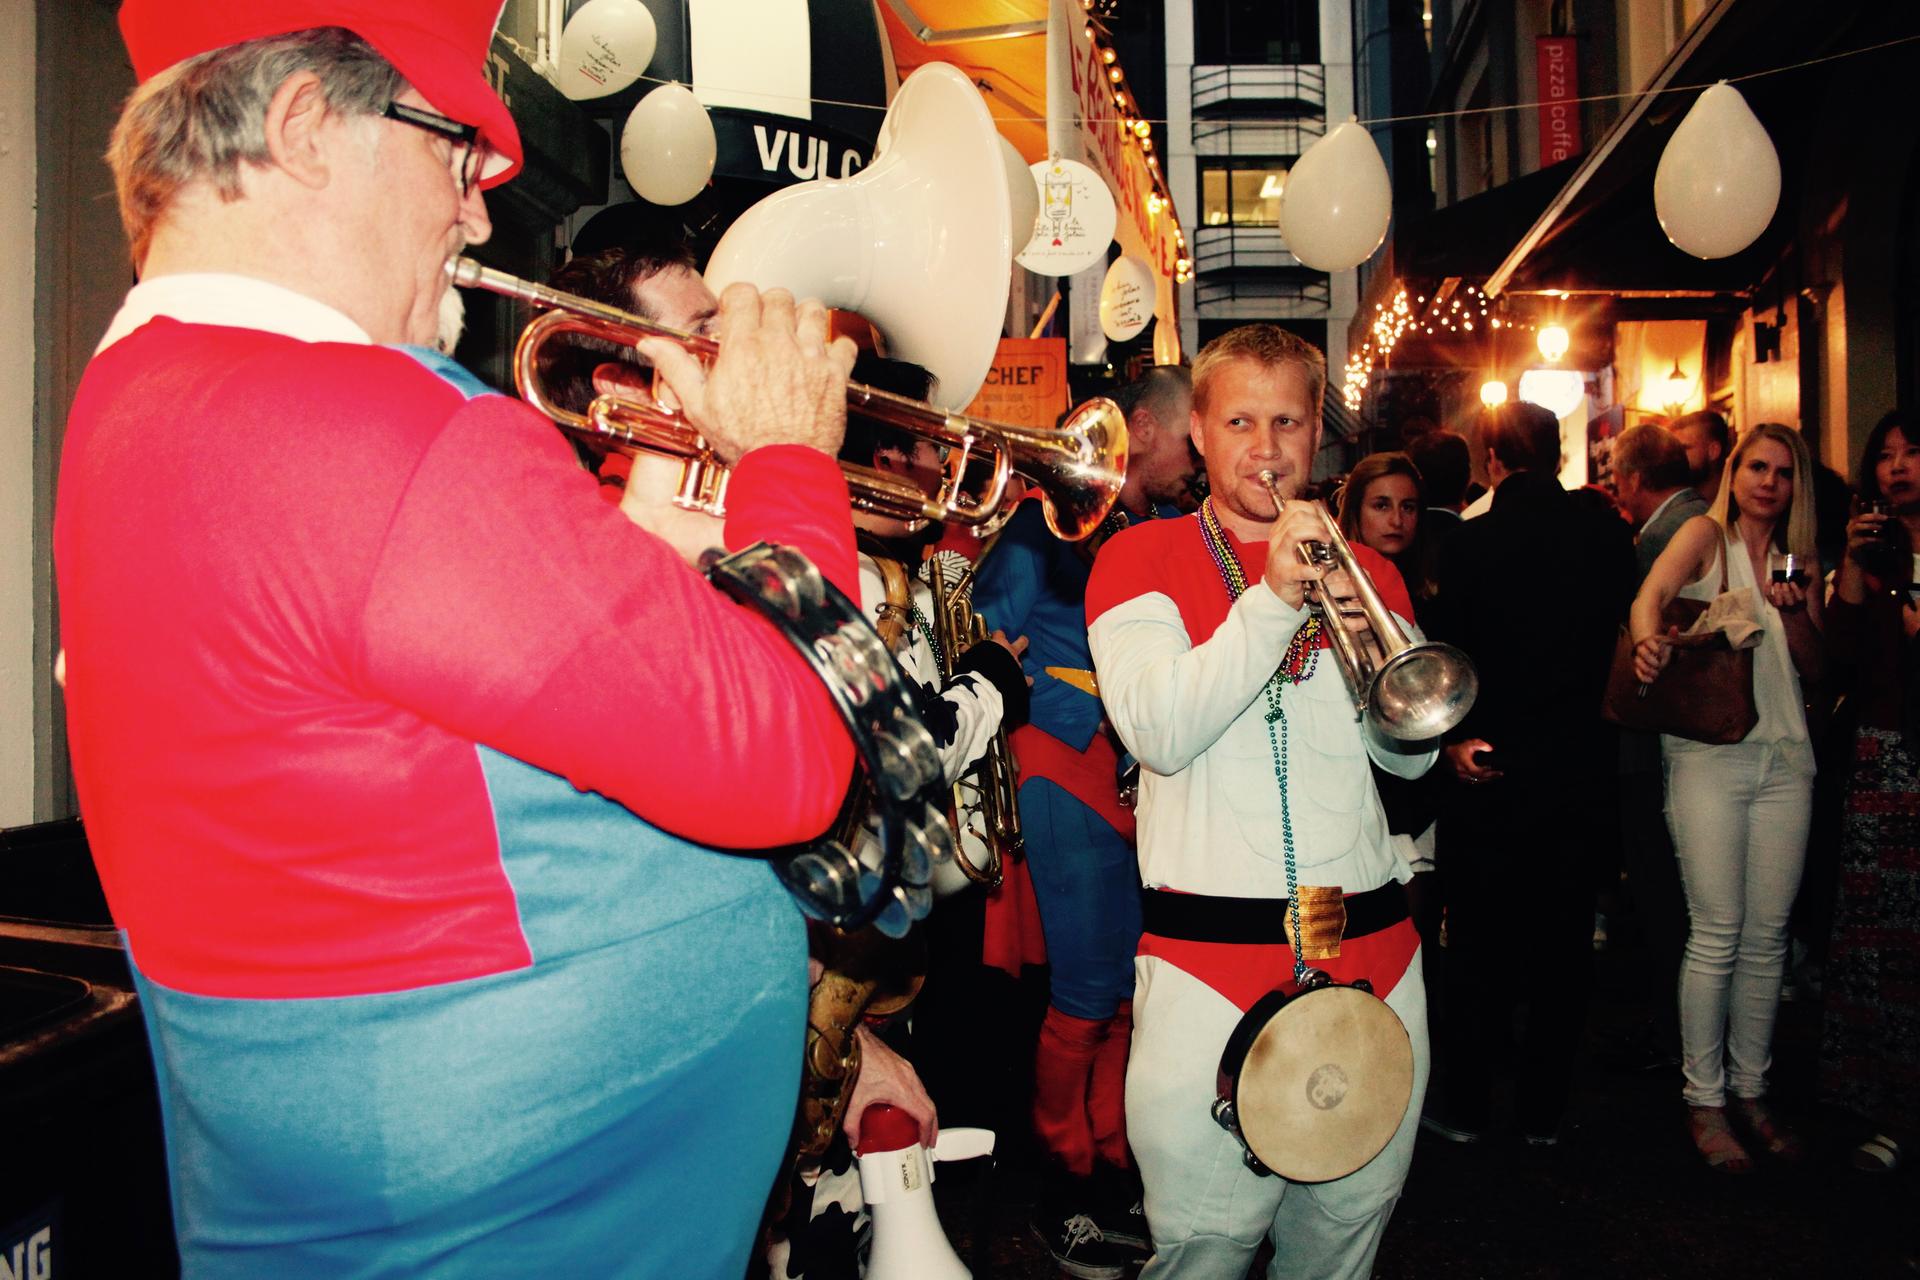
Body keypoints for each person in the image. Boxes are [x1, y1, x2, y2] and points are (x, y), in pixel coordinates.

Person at [56, 6, 866, 1275]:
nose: (479, 216)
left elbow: (396, 749)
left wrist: (642, 566)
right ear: (305, 129)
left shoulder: (135, 397)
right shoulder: (385, 431)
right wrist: (787, 461)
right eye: (454, 149)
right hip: (520, 1233)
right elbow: (795, 755)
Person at [1087, 327, 1434, 1279]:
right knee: (1202, 1251)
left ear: (1318, 431)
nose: (1265, 448)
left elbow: (1408, 764)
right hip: (1208, 966)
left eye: (1287, 421)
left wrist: (1381, 660)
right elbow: (1160, 729)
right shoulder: (1139, 558)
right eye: (1239, 421)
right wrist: (1276, 601)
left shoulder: (1372, 571)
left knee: (1344, 1243)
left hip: (1374, 954)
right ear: (1197, 431)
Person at [969, 364, 1194, 1279]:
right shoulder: (1038, 524)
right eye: (1191, 440)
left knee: (1126, 991)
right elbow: (981, 639)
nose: (1197, 463)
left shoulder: (1152, 527)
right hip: (1063, 767)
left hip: (1128, 775)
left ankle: (1109, 1163)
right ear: (1145, 429)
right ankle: (1062, 1187)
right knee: (1088, 988)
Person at [1420, 402, 1637, 1146]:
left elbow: (1451, 659)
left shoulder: (1471, 545)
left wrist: (1458, 739)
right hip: (1578, 767)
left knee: (1478, 945)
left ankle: (1469, 1105)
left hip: (1491, 766)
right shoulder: (1606, 537)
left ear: (1491, 460)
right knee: (1563, 949)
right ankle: (1543, 1111)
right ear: (1558, 454)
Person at [1632, 421, 1824, 1173]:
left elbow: (1816, 667)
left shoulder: (1797, 558)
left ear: (1796, 486)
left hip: (1786, 758)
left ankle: (1751, 1089)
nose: (1768, 482)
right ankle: (1704, 1099)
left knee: (1767, 938)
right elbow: (1650, 597)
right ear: (1734, 471)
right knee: (1716, 931)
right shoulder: (1705, 537)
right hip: (1709, 756)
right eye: (1756, 467)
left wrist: (1797, 610)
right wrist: (1648, 641)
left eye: (1783, 471)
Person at [1820, 410, 1920, 1172]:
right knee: (1884, 940)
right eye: (1885, 455)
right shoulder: (1877, 554)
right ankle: (1889, 1110)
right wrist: (1854, 567)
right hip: (1885, 755)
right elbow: (1841, 659)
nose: (1898, 466)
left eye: (1913, 452)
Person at [1609, 421, 1707, 1059]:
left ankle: (1676, 1032)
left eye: (1620, 479)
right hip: (1693, 734)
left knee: (1668, 892)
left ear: (1636, 478)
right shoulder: (1704, 518)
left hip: (1669, 735)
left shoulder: (1667, 534)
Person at [1669, 410, 1732, 508]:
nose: (1674, 456)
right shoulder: (1675, 506)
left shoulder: (1743, 507)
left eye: (1684, 448)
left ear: (1713, 451)